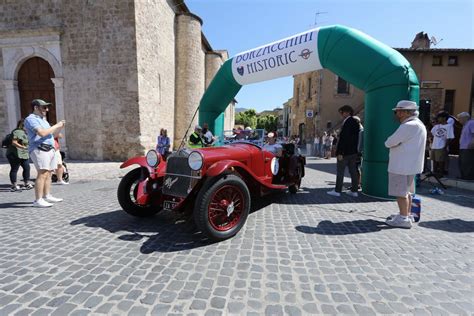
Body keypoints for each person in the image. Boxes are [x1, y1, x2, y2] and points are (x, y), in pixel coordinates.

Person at [385, 100, 427, 229]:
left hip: (401, 165)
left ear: (404, 112)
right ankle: (406, 214)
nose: (396, 114)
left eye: (397, 111)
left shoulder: (408, 126)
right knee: (406, 192)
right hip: (410, 165)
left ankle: (403, 218)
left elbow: (389, 142)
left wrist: (392, 143)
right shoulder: (419, 124)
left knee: (400, 193)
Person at [24, 99, 65, 207]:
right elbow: (42, 133)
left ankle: (47, 195)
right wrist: (56, 125)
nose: (47, 109)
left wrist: (59, 128)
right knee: (42, 173)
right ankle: (38, 200)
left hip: (50, 148)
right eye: (44, 107)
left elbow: (53, 135)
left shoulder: (43, 120)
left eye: (47, 107)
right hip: (39, 148)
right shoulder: (31, 119)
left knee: (49, 173)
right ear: (35, 108)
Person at [327, 105, 360, 197]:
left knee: (340, 171)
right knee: (353, 171)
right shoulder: (355, 122)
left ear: (348, 112)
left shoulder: (347, 122)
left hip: (345, 152)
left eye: (342, 112)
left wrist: (340, 152)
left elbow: (344, 139)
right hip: (353, 151)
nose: (341, 114)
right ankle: (354, 191)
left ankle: (337, 190)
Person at [6, 119, 33, 191]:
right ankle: (14, 185)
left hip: (24, 154)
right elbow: (14, 142)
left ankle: (26, 183)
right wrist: (22, 147)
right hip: (14, 154)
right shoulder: (17, 132)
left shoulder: (26, 132)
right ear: (22, 125)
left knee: (27, 168)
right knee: (14, 169)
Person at [430, 112, 454, 176]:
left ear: (444, 118)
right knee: (434, 159)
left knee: (441, 160)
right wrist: (431, 138)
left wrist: (445, 146)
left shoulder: (449, 126)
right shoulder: (437, 126)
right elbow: (431, 133)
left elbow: (450, 137)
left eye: (439, 118)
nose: (438, 119)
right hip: (434, 145)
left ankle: (441, 173)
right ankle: (434, 172)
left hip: (441, 146)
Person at [457, 112, 474, 180]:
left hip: (468, 147)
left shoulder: (471, 123)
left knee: (467, 162)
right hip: (463, 146)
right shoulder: (465, 125)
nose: (459, 120)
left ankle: (468, 177)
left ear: (465, 118)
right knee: (462, 162)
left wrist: (472, 143)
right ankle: (463, 176)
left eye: (460, 118)